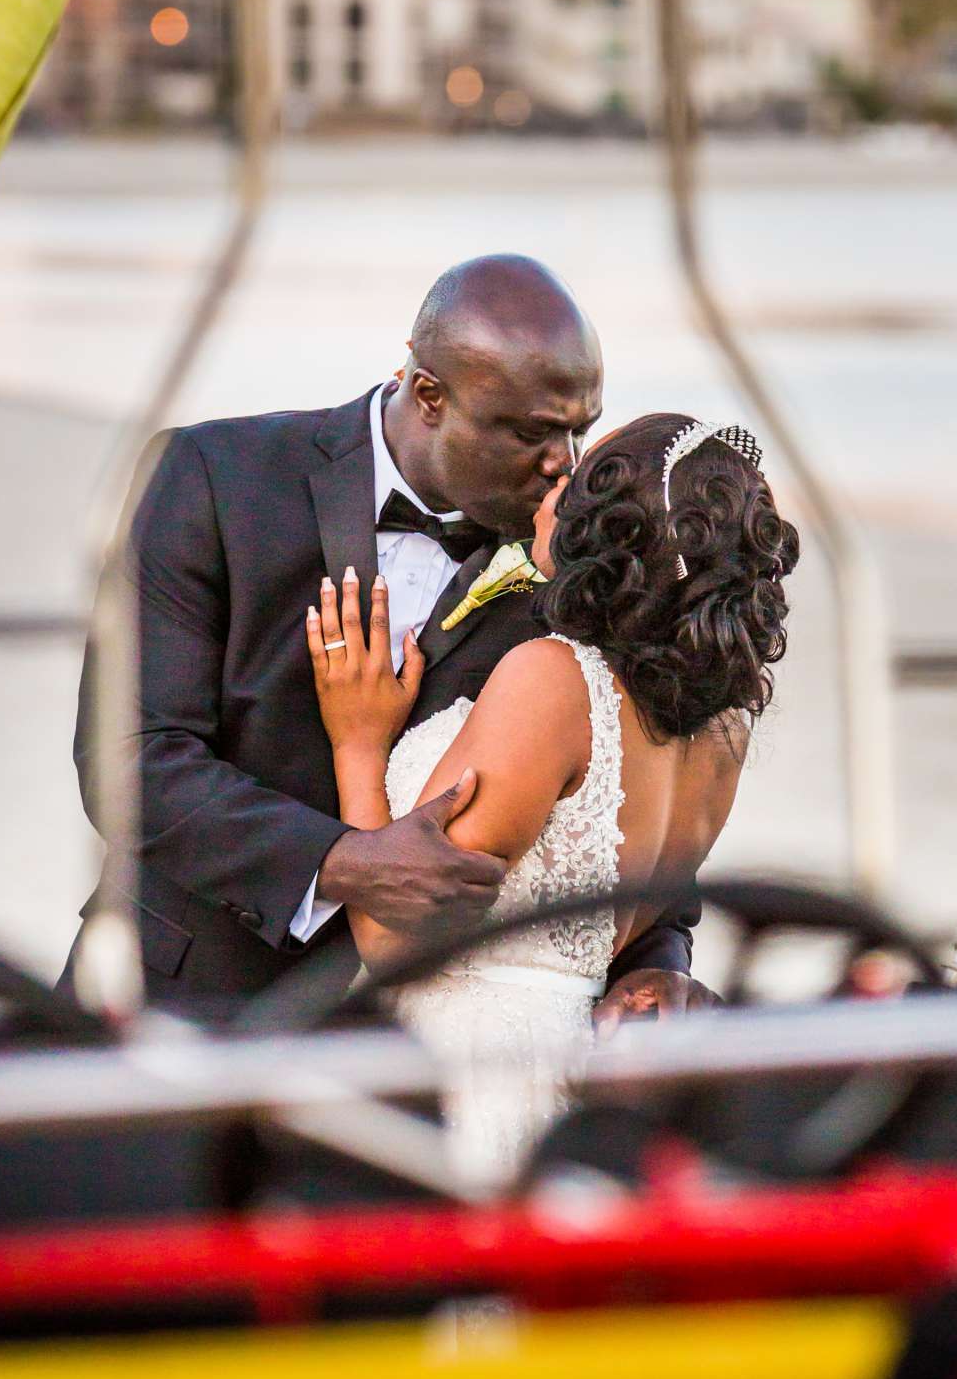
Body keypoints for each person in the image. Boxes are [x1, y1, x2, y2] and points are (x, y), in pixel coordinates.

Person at [66, 256, 701, 1023]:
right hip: (185, 996)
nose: (564, 466)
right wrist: (340, 863)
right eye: (532, 433)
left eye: (580, 430)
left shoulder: (567, 551)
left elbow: (627, 796)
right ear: (428, 393)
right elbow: (129, 756)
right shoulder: (213, 478)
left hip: (439, 1042)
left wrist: (660, 963)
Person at [304, 412, 800, 1186]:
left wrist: (358, 743)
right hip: (566, 1088)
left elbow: (393, 940)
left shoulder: (554, 681)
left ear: (609, 532)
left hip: (467, 1082)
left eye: (578, 480)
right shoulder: (724, 729)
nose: (551, 484)